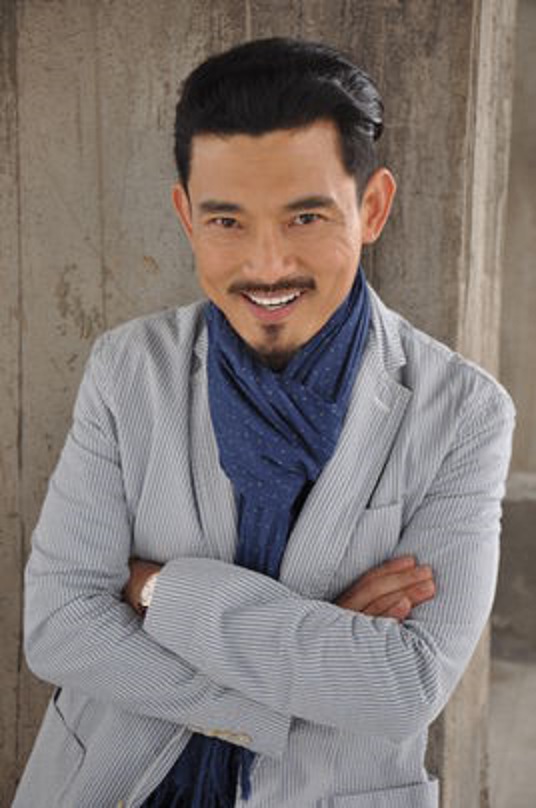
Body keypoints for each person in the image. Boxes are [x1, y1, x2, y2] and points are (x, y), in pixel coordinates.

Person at [13, 37, 515, 808]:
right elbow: (59, 627)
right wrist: (303, 660)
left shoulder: (464, 412)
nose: (267, 265)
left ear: (372, 208)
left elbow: (405, 687)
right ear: (187, 216)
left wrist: (158, 590)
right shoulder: (128, 369)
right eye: (227, 221)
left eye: (305, 215)